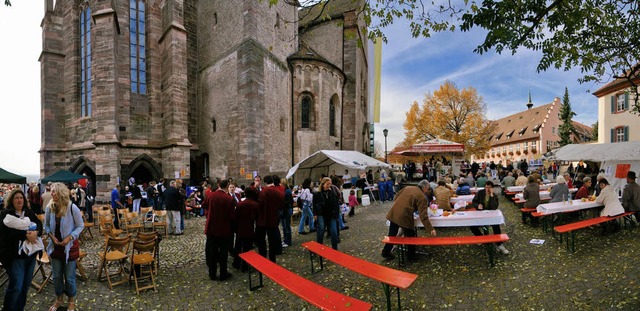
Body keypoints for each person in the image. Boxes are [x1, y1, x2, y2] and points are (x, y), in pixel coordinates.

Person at [0, 188, 43, 311]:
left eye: (21, 198)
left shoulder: (28, 212)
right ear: (11, 200)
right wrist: (26, 235)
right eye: (16, 198)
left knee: (25, 286)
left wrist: (36, 232)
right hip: (15, 256)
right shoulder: (5, 214)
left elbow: (39, 224)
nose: (19, 200)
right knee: (16, 287)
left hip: (30, 255)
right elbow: (5, 233)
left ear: (24, 200)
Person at [44, 183, 84, 311]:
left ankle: (71, 301)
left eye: (54, 191)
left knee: (70, 277)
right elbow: (46, 226)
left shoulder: (72, 208)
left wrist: (70, 237)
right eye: (51, 191)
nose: (52, 193)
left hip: (69, 247)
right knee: (56, 276)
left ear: (61, 193)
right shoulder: (49, 208)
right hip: (55, 247)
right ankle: (59, 299)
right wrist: (51, 236)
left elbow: (80, 226)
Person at [381, 180, 436, 259]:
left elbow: (397, 196)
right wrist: (430, 229)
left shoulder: (407, 187)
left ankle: (385, 252)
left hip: (394, 212)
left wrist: (402, 205)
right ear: (425, 188)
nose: (427, 191)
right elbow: (423, 215)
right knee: (410, 236)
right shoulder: (422, 196)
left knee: (392, 234)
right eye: (428, 189)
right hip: (404, 216)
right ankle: (411, 256)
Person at [204, 179, 235, 281]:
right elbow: (232, 216)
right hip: (223, 228)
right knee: (223, 252)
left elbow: (204, 205)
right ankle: (223, 273)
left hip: (212, 227)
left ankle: (212, 274)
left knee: (212, 251)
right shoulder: (228, 198)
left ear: (218, 185)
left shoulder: (211, 195)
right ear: (227, 186)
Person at [470, 181, 509, 255]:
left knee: (496, 225)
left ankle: (499, 244)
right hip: (481, 214)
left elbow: (494, 207)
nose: (487, 189)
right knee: (472, 226)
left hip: (490, 215)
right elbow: (474, 201)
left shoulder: (494, 195)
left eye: (489, 187)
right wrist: (477, 205)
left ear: (492, 188)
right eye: (486, 187)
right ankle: (482, 238)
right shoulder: (480, 193)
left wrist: (491, 195)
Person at [256, 175, 284, 262]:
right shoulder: (278, 192)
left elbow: (259, 206)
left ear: (265, 182)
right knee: (272, 240)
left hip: (263, 219)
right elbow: (281, 205)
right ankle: (272, 259)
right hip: (273, 218)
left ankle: (263, 257)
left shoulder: (263, 192)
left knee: (262, 240)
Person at [232, 187, 259, 272]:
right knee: (247, 248)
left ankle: (237, 263)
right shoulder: (255, 205)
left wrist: (235, 228)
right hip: (250, 228)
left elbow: (235, 217)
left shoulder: (240, 204)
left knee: (238, 247)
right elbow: (257, 218)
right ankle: (245, 266)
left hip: (240, 228)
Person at [313, 177, 340, 250]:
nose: (329, 185)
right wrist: (314, 214)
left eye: (330, 184)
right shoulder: (317, 193)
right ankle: (319, 248)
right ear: (323, 184)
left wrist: (337, 213)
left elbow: (336, 203)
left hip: (331, 214)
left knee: (334, 232)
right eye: (327, 184)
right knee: (321, 230)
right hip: (321, 214)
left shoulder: (332, 192)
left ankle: (335, 249)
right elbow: (314, 204)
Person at [280, 178, 293, 248]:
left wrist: (283, 202)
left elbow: (290, 201)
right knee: (284, 226)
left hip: (287, 210)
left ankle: (288, 241)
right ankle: (285, 240)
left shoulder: (287, 191)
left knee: (287, 226)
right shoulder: (285, 190)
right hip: (284, 209)